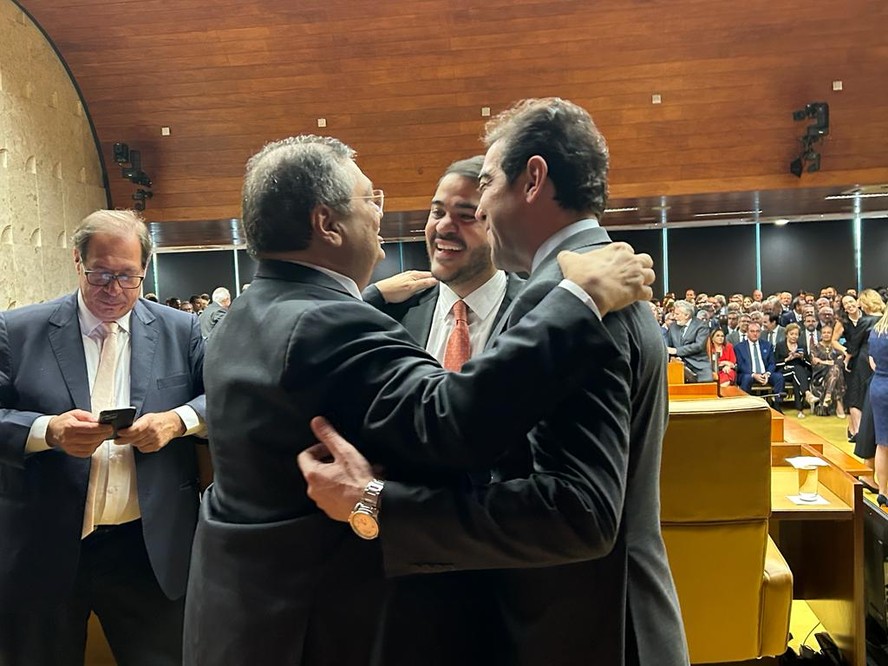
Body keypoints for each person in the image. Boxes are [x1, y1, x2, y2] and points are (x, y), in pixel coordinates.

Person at [183, 132, 661, 666]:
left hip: (246, 617)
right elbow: (454, 421)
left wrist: (366, 297)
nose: (382, 216)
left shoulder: (245, 315)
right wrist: (578, 301)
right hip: (319, 624)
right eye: (371, 200)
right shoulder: (329, 323)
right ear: (327, 223)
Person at [299, 98, 688, 665]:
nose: (479, 209)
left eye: (484, 185)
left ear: (533, 179)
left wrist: (379, 503)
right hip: (600, 618)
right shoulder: (586, 275)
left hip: (582, 629)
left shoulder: (571, 293)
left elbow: (578, 511)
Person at [0, 210, 206, 666]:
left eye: (127, 277)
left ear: (145, 270)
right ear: (77, 260)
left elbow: (224, 398)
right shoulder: (17, 330)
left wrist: (177, 420)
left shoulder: (181, 329)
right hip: (45, 545)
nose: (113, 290)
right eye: (100, 275)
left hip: (148, 550)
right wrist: (45, 431)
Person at [362, 156, 523, 361]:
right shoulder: (393, 311)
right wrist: (370, 297)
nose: (443, 227)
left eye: (465, 215)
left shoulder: (536, 308)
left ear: (501, 225)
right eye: (437, 212)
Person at [734, 321, 786, 409]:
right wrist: (754, 375)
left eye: (757, 331)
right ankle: (745, 405)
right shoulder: (739, 347)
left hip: (765, 374)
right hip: (748, 374)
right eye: (752, 331)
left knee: (779, 377)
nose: (755, 334)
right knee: (747, 378)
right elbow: (740, 365)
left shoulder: (767, 345)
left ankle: (777, 405)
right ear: (747, 333)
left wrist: (767, 374)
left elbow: (772, 363)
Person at [868, 310, 888, 507]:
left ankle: (883, 491)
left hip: (879, 386)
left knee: (882, 442)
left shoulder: (876, 330)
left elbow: (872, 362)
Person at [665, 300, 711, 382]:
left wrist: (677, 351)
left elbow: (698, 346)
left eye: (677, 314)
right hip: (677, 364)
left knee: (704, 387)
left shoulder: (701, 326)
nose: (674, 317)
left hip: (697, 364)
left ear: (686, 315)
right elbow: (669, 346)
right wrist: (674, 357)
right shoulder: (673, 327)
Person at [809, 324, 847, 417]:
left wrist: (822, 361)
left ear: (833, 334)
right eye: (824, 333)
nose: (826, 334)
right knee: (836, 371)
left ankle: (828, 396)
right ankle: (838, 405)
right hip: (820, 376)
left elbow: (840, 362)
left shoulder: (838, 347)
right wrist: (828, 362)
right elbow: (815, 363)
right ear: (821, 334)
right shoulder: (815, 347)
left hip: (835, 375)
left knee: (836, 370)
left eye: (829, 333)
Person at [776, 322, 811, 418]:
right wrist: (787, 359)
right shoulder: (780, 346)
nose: (794, 336)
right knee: (797, 371)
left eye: (796, 334)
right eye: (792, 334)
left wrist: (802, 358)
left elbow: (809, 364)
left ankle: (800, 409)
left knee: (797, 376)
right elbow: (776, 364)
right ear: (787, 334)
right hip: (784, 371)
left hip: (798, 373)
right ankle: (807, 393)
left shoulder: (802, 346)